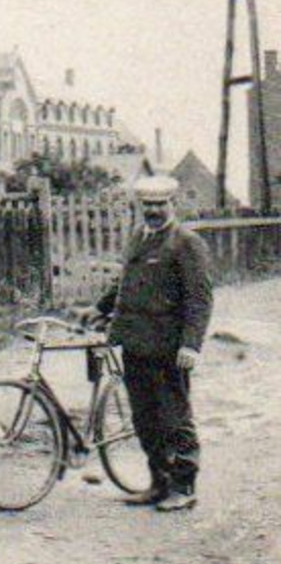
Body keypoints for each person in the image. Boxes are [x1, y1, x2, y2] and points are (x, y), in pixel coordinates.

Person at [86, 175, 213, 512]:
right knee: (144, 419)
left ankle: (184, 487)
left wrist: (191, 344)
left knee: (174, 417)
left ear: (172, 204)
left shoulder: (186, 243)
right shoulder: (138, 238)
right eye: (148, 205)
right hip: (134, 344)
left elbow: (199, 299)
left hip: (169, 348)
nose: (153, 210)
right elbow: (125, 284)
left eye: (160, 204)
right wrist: (99, 308)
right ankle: (158, 483)